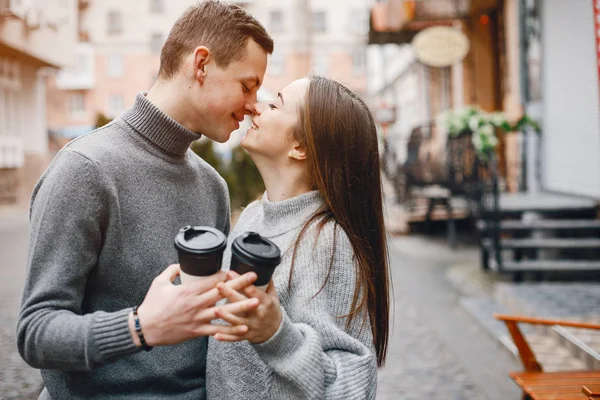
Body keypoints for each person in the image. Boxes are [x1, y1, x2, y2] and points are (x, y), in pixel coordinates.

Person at [16, 2, 273, 399]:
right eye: (247, 85)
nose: (255, 104)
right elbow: (36, 332)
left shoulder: (213, 186)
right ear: (201, 64)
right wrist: (140, 328)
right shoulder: (85, 169)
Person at [206, 76, 391, 399]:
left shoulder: (326, 242)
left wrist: (277, 335)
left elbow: (352, 389)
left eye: (275, 103)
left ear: (300, 147)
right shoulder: (253, 216)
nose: (255, 108)